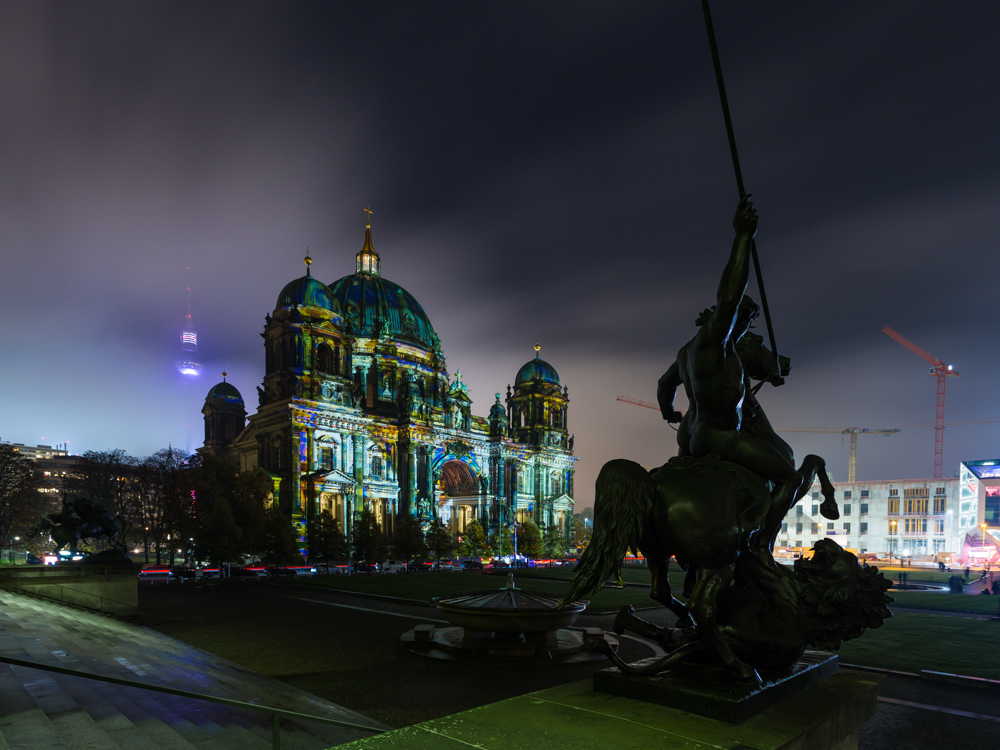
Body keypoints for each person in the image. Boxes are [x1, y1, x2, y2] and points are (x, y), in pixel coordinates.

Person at [656, 196, 832, 548]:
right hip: (717, 437)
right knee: (790, 480)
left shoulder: (686, 352)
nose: (746, 322)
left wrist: (669, 412)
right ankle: (760, 542)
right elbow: (729, 296)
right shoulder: (715, 341)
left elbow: (664, 385)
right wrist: (743, 238)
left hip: (686, 441)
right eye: (746, 318)